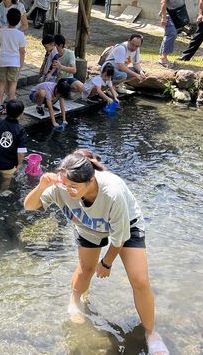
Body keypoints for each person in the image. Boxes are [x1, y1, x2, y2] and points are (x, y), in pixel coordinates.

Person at [23, 151, 169, 355]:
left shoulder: (112, 193)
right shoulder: (61, 186)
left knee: (140, 280)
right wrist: (41, 186)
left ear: (90, 181)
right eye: (65, 185)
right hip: (88, 226)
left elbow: (119, 238)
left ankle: (151, 333)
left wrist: (107, 262)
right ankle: (75, 300)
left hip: (126, 224)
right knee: (86, 269)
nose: (68, 191)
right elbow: (29, 206)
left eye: (74, 187)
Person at [0, 99, 28, 197]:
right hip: (9, 163)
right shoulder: (20, 130)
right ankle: (2, 191)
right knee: (7, 178)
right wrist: (19, 165)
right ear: (21, 114)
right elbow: (20, 152)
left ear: (6, 111)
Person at [159, 0, 193, 67]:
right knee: (172, 34)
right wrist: (163, 17)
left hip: (178, 14)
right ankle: (163, 59)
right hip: (169, 13)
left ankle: (162, 57)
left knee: (169, 34)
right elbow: (163, 1)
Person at [0, 8, 26, 116]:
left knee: (2, 82)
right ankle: (10, 107)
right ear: (19, 21)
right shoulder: (20, 34)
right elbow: (22, 51)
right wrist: (21, 64)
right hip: (14, 62)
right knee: (13, 83)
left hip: (2, 61)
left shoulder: (1, 31)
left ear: (7, 19)